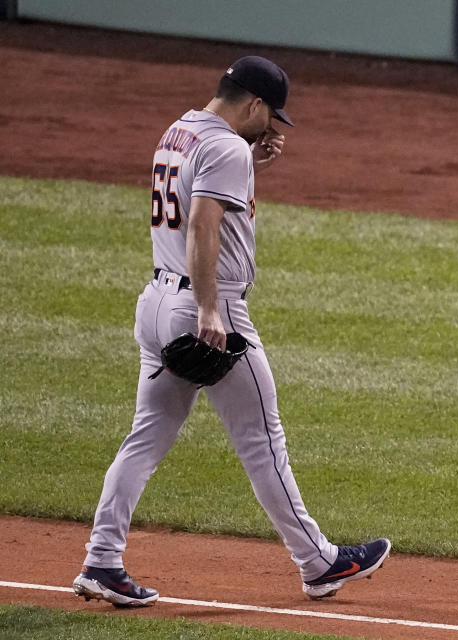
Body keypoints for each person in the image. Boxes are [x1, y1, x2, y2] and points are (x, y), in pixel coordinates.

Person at [72, 56, 390, 607]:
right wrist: (210, 310)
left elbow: (200, 198)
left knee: (145, 437)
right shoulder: (225, 147)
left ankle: (101, 559)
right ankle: (319, 563)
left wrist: (251, 166)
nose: (271, 130)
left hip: (156, 304)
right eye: (270, 118)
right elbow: (202, 222)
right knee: (264, 442)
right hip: (206, 310)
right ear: (255, 104)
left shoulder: (180, 131)